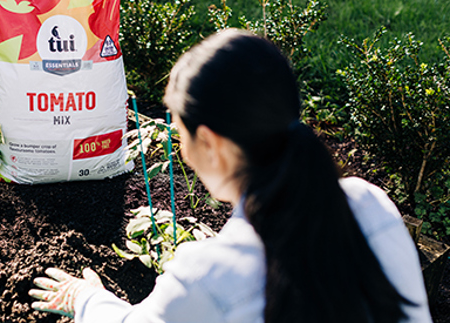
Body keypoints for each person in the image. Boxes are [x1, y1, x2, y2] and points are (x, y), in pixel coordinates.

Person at [28, 28, 432, 322]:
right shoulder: (371, 205)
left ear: (212, 145)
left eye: (181, 134)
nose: (181, 151)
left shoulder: (208, 276)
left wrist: (86, 298)